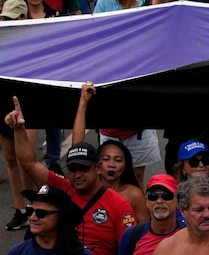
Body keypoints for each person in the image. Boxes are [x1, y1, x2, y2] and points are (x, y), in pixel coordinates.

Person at [6, 97, 136, 255]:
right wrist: (19, 130)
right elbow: (29, 164)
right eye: (72, 169)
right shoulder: (62, 188)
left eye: (84, 168)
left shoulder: (119, 205)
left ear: (98, 168)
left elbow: (129, 250)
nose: (77, 174)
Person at [7, 184, 89, 255]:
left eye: (41, 213)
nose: (32, 217)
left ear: (61, 216)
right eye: (30, 211)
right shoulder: (17, 252)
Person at [118, 175, 184, 255]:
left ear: (177, 200)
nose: (159, 201)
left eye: (166, 196)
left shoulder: (190, 234)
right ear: (146, 201)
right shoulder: (131, 235)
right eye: (153, 196)